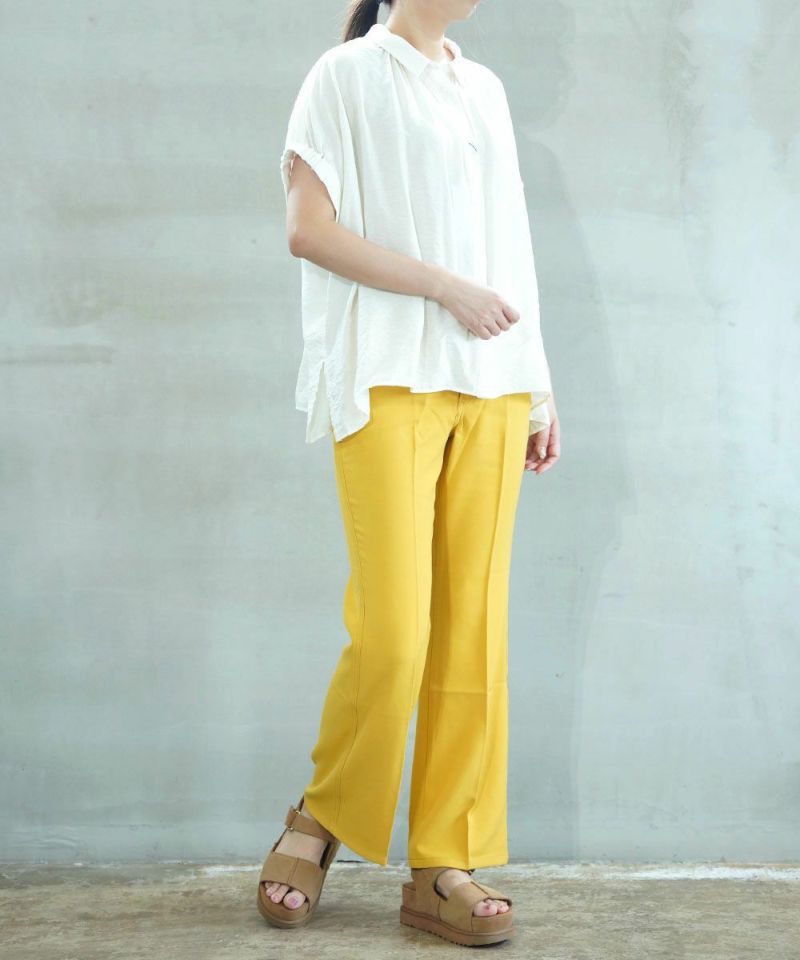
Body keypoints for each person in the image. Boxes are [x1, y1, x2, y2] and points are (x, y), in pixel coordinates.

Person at [257, 0, 560, 946]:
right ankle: (321, 815)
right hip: (388, 372)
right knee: (395, 629)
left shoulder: (485, 89)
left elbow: (511, 245)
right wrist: (443, 286)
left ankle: (444, 865)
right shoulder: (345, 74)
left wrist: (540, 389)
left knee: (473, 633)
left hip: (493, 383)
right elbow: (308, 230)